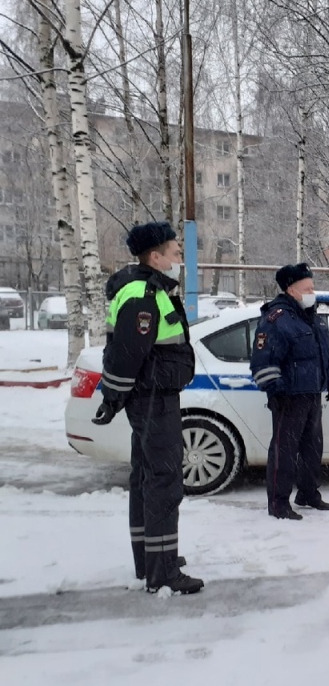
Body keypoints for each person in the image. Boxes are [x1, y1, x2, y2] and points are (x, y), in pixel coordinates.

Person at [91, 221, 204, 595]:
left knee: (147, 479)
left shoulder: (145, 287)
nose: (178, 255)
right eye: (173, 250)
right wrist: (112, 396)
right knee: (164, 481)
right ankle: (162, 572)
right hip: (153, 397)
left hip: (151, 395)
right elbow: (126, 354)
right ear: (154, 256)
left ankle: (151, 558)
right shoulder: (142, 293)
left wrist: (116, 397)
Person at [250, 263, 329, 520]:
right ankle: (278, 503)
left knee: (312, 448)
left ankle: (308, 493)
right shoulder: (277, 319)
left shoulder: (311, 316)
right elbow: (263, 360)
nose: (313, 292)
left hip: (311, 393)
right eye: (308, 288)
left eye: (313, 286)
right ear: (292, 290)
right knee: (284, 451)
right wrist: (276, 390)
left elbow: (320, 356)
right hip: (289, 396)